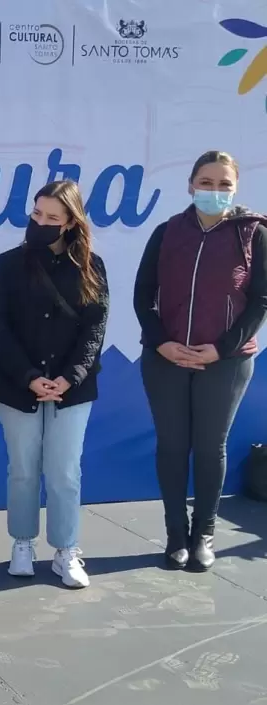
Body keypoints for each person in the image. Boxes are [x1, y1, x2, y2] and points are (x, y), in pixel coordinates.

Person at [134, 150, 267, 572]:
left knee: (211, 448)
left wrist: (222, 347)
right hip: (165, 358)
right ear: (190, 185)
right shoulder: (167, 231)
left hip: (225, 361)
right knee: (173, 447)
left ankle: (203, 535)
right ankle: (176, 534)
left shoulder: (254, 233)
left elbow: (261, 299)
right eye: (206, 183)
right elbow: (143, 294)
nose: (214, 191)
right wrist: (161, 343)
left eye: (223, 184)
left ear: (236, 188)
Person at [0, 179, 109, 589]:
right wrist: (30, 377)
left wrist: (69, 378)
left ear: (71, 222)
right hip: (15, 385)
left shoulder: (92, 266)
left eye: (53, 217)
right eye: (37, 214)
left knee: (64, 472)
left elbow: (94, 331)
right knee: (22, 469)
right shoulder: (7, 264)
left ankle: (66, 549)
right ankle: (22, 543)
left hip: (73, 390)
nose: (41, 222)